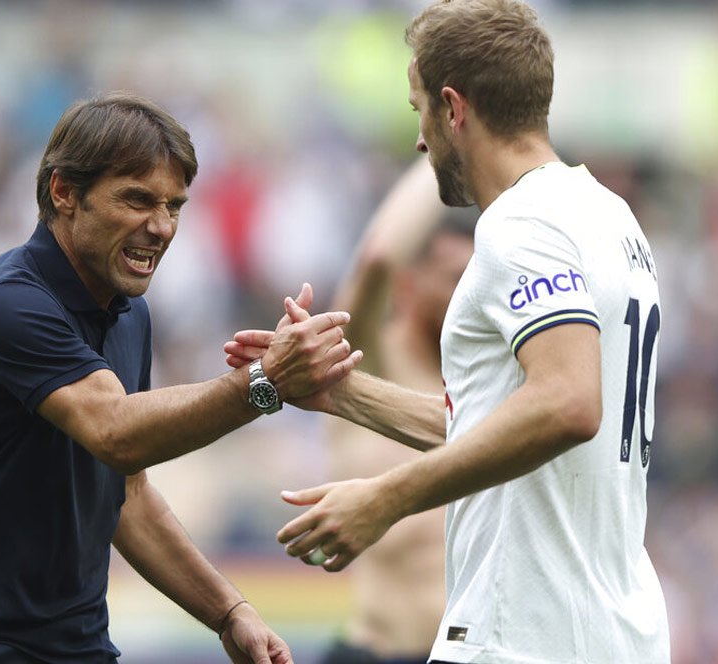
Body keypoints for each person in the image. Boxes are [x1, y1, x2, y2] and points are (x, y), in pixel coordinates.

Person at [226, 1, 671, 662]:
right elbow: (514, 424)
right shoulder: (611, 219)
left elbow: (569, 405)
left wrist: (387, 496)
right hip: (615, 633)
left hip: (524, 635)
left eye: (419, 111)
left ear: (454, 109)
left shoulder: (523, 225)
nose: (419, 141)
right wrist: (341, 393)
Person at [0, 92, 362, 664]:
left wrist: (230, 612)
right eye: (136, 200)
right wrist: (266, 381)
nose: (160, 227)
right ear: (64, 192)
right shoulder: (2, 301)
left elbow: (125, 491)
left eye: (174, 206)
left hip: (76, 646)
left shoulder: (132, 314)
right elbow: (116, 431)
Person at [318, 158, 473, 664]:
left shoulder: (488, 384)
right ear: (412, 282)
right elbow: (380, 257)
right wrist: (451, 145)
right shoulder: (370, 362)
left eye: (475, 278)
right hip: (378, 650)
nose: (465, 295)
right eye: (453, 277)